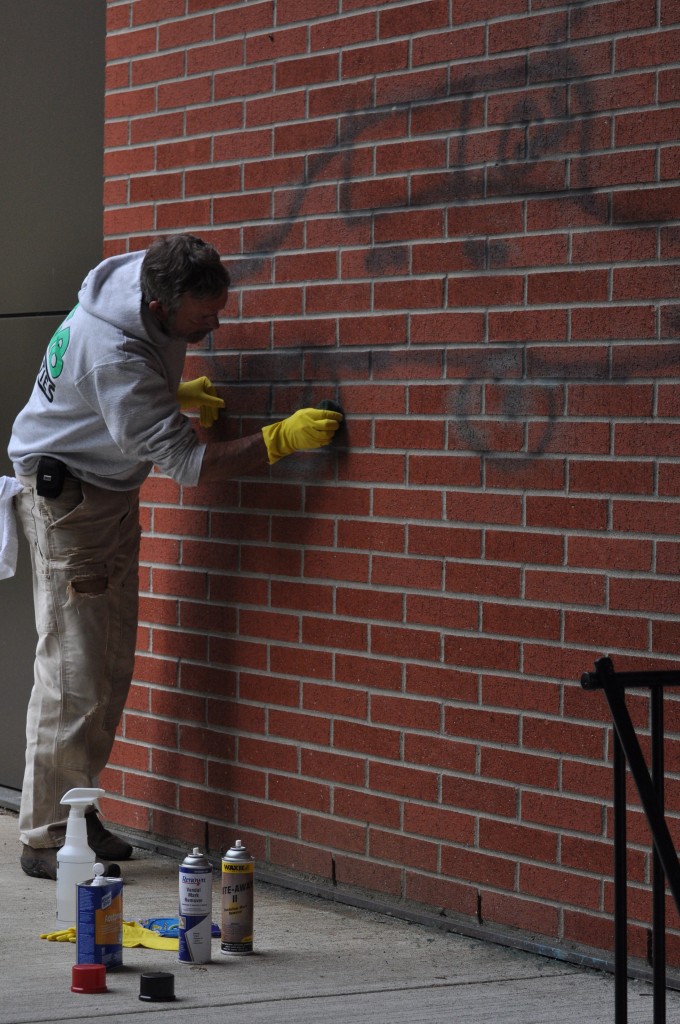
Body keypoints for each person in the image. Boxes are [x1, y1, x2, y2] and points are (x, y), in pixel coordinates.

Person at [8, 233, 343, 879]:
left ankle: (75, 810)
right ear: (159, 307)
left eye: (218, 307)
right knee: (74, 672)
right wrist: (279, 439)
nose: (215, 324)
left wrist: (172, 396)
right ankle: (47, 837)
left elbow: (134, 394)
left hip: (101, 488)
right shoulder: (113, 357)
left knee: (108, 662)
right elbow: (187, 464)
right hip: (71, 502)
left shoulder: (143, 277)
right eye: (201, 317)